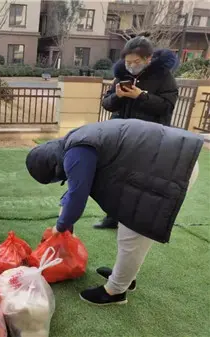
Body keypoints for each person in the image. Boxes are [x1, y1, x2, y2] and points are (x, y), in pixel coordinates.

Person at [25, 119, 202, 305]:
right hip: (168, 159)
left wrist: (61, 227)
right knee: (129, 223)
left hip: (173, 167)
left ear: (53, 165)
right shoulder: (74, 140)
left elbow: (77, 196)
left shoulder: (76, 152)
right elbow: (74, 189)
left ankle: (116, 291)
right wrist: (65, 221)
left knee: (133, 231)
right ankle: (125, 276)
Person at [96, 36, 179, 230]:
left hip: (150, 137)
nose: (132, 65)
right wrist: (117, 95)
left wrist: (141, 96)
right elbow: (107, 104)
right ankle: (112, 218)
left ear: (148, 59)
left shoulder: (163, 76)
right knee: (116, 177)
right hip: (122, 135)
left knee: (142, 181)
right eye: (128, 62)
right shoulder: (122, 75)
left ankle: (135, 221)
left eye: (136, 62)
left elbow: (167, 106)